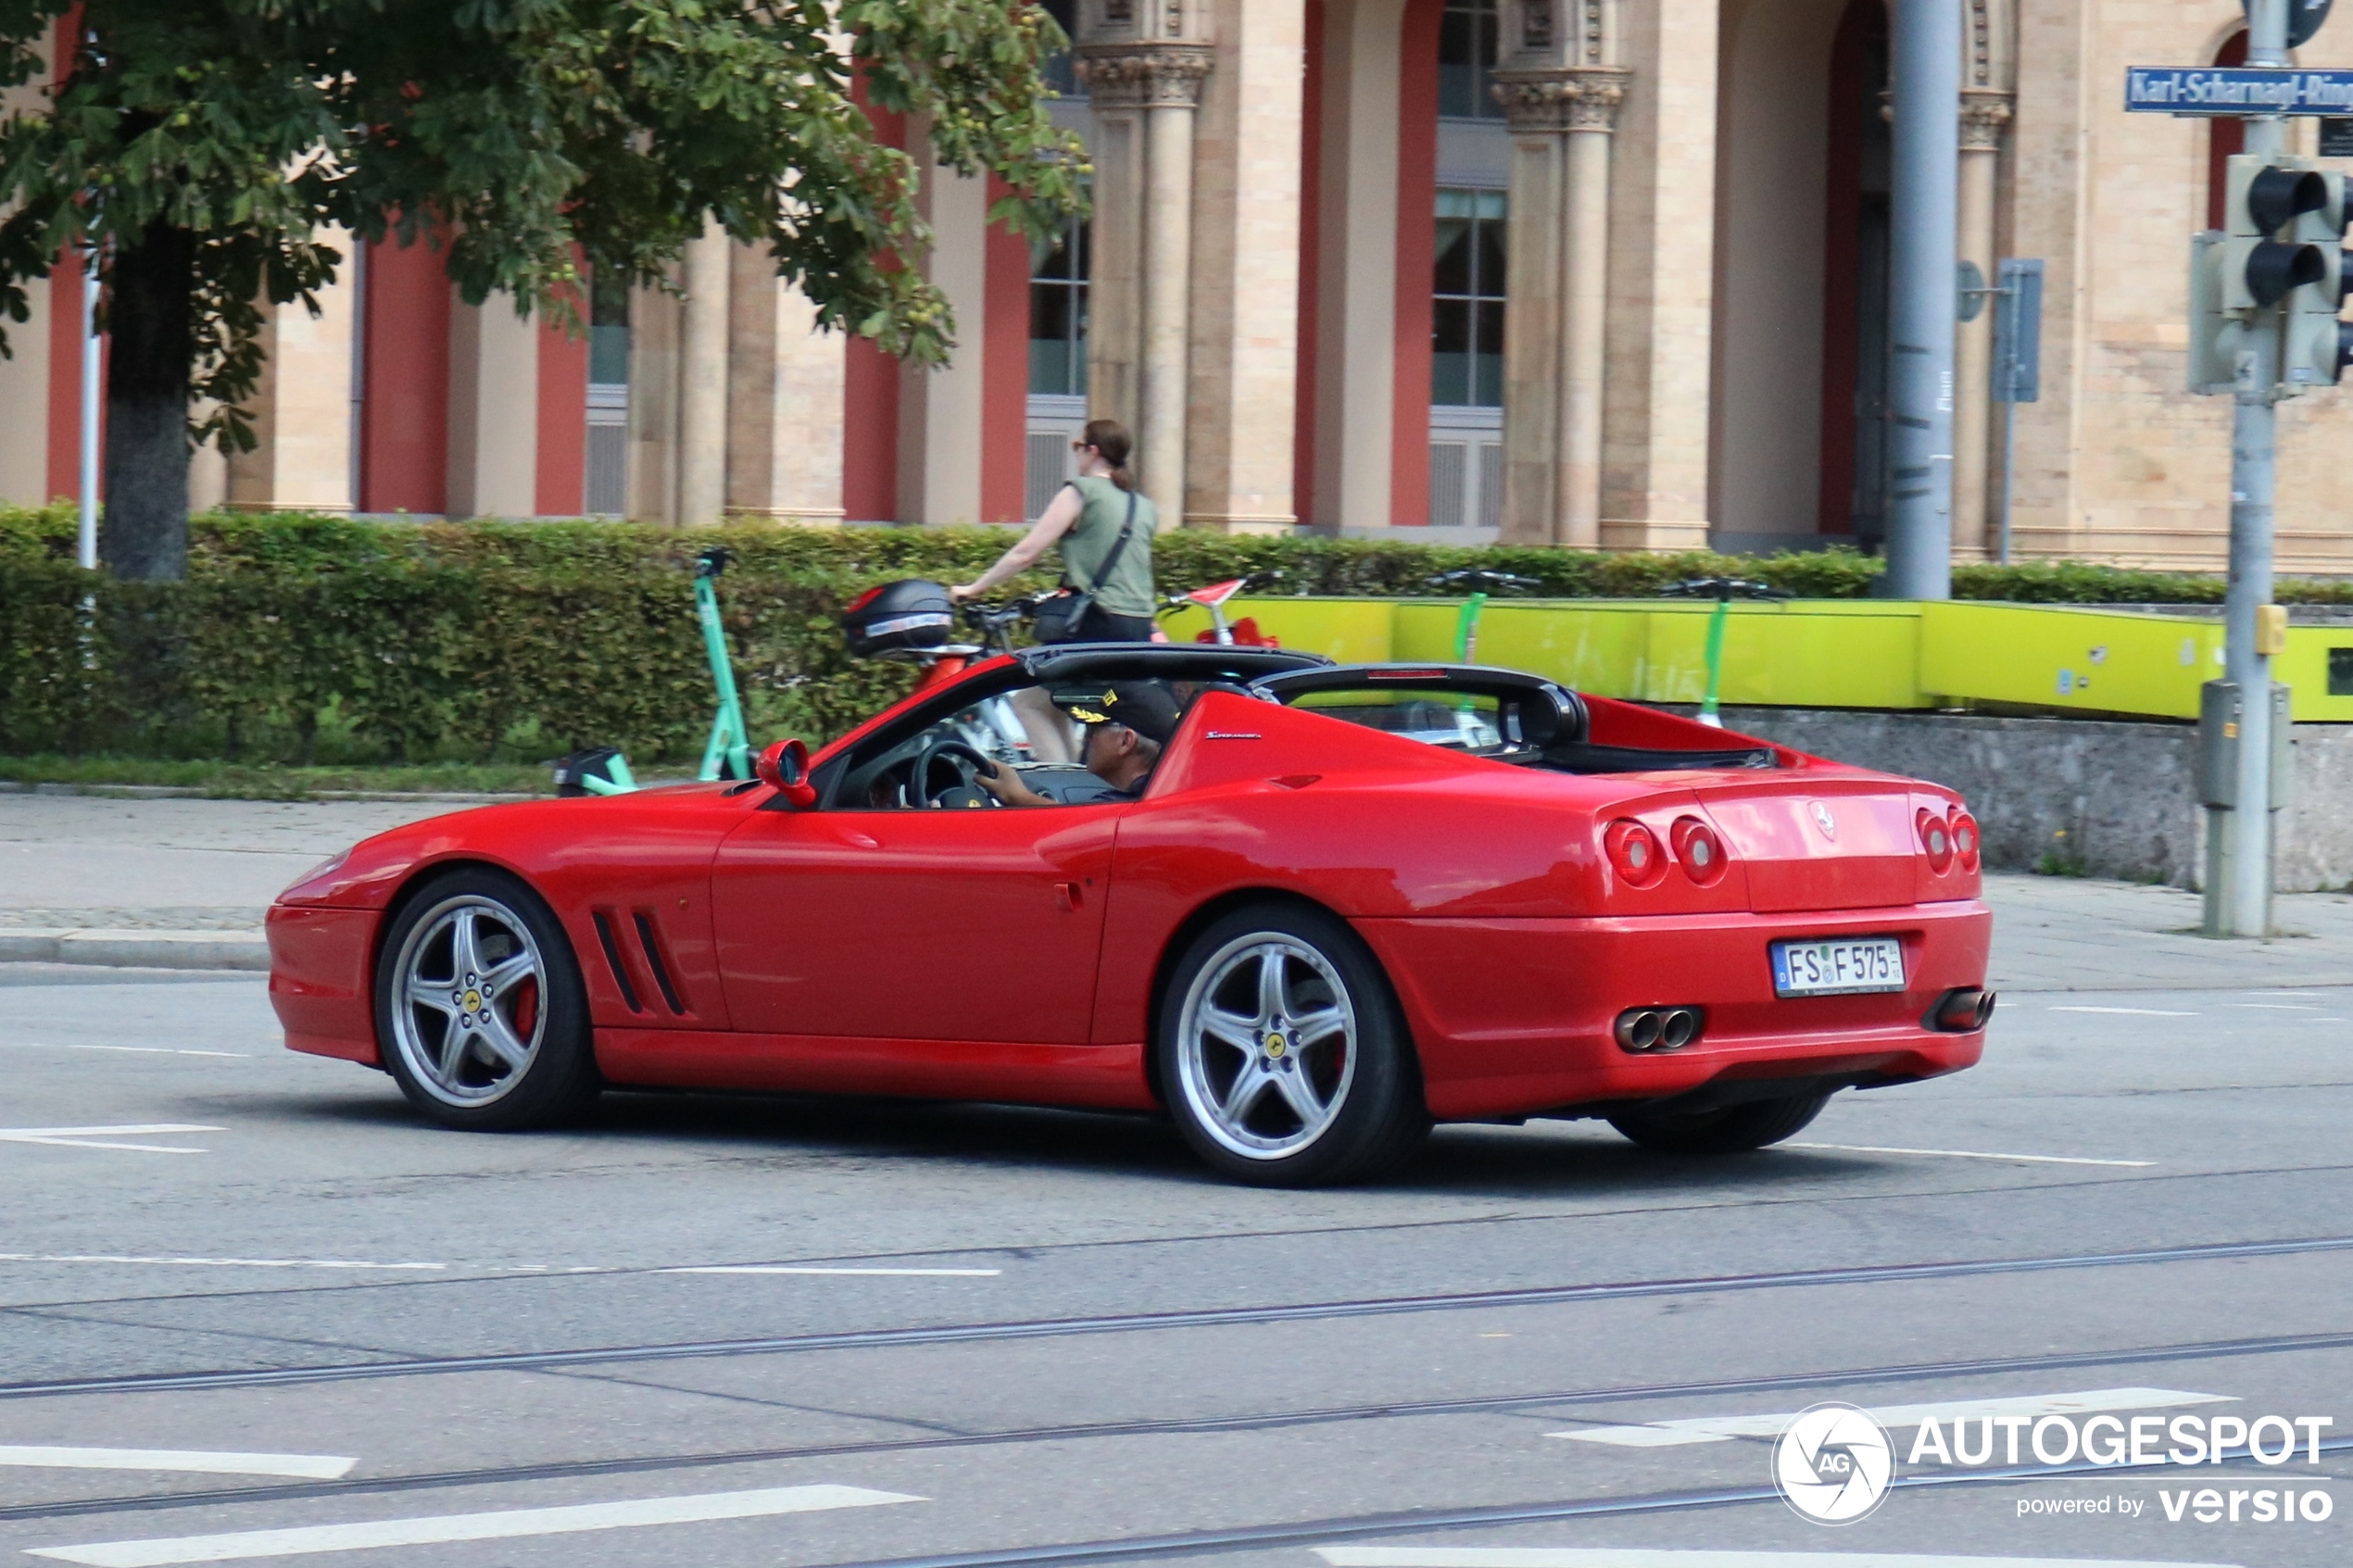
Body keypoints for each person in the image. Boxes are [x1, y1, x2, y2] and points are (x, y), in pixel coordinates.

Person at [949, 419, 1159, 642]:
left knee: (1048, 669)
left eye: (1078, 445)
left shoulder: (1081, 491)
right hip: (1140, 620)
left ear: (1093, 451)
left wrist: (973, 589)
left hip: (1098, 618)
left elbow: (1026, 554)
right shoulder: (1144, 505)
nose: (1076, 452)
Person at [975, 682, 1181, 806]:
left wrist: (1017, 797)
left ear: (1126, 741)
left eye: (1093, 729)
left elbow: (1082, 826)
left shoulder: (1129, 808)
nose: (1086, 738)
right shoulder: (1168, 793)